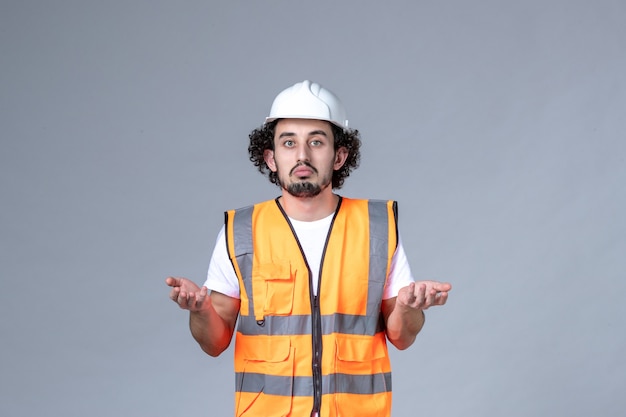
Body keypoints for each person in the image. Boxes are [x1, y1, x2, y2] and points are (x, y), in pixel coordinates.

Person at [166, 80, 452, 417]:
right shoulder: (241, 231)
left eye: (316, 141)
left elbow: (402, 337)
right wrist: (200, 311)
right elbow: (214, 343)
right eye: (289, 143)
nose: (302, 155)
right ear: (271, 158)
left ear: (339, 155)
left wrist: (409, 307)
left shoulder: (377, 227)